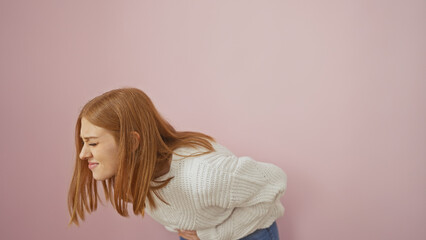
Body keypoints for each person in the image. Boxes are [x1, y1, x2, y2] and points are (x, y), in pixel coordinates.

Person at [68, 87, 287, 240]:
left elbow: (274, 182)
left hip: (246, 234)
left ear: (132, 141)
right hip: (197, 234)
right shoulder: (134, 171)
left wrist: (213, 235)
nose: (83, 154)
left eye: (93, 143)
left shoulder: (202, 175)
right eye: (83, 142)